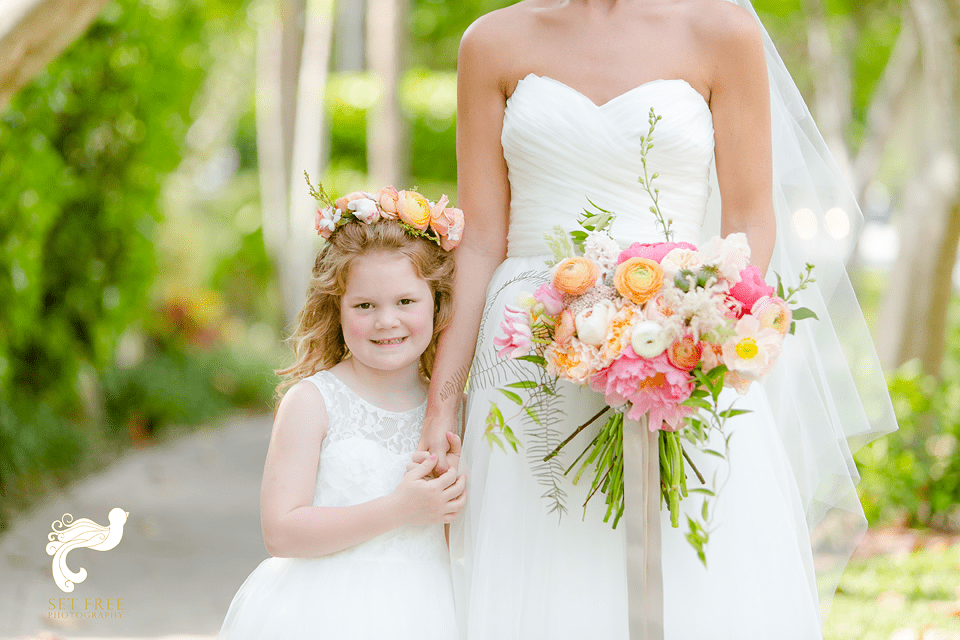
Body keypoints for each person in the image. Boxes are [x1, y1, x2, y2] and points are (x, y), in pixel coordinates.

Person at [419, 0, 897, 638]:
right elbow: (480, 240)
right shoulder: (492, 41)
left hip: (679, 339)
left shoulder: (721, 28)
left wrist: (704, 325)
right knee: (545, 557)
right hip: (528, 351)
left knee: (691, 559)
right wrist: (442, 401)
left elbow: (751, 218)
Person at [217, 197, 466, 640]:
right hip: (322, 612)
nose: (386, 321)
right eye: (364, 306)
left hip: (428, 608)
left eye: (405, 300)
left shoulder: (452, 409)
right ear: (337, 309)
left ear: (437, 302)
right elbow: (281, 531)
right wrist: (399, 509)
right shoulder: (313, 402)